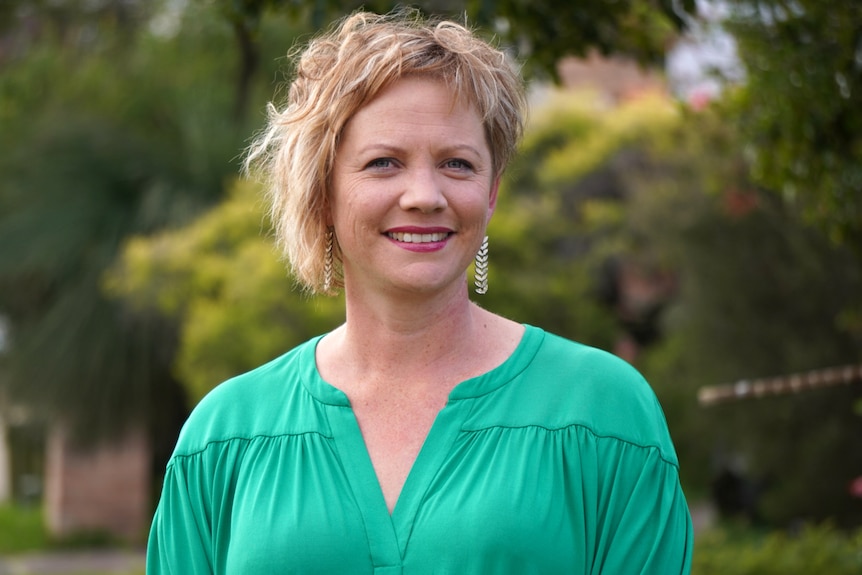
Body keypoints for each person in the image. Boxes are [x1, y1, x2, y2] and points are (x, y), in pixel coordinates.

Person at [146, 9, 693, 574]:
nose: (424, 195)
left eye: (457, 164)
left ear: (491, 192)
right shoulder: (225, 436)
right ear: (324, 193)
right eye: (384, 163)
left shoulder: (603, 412)